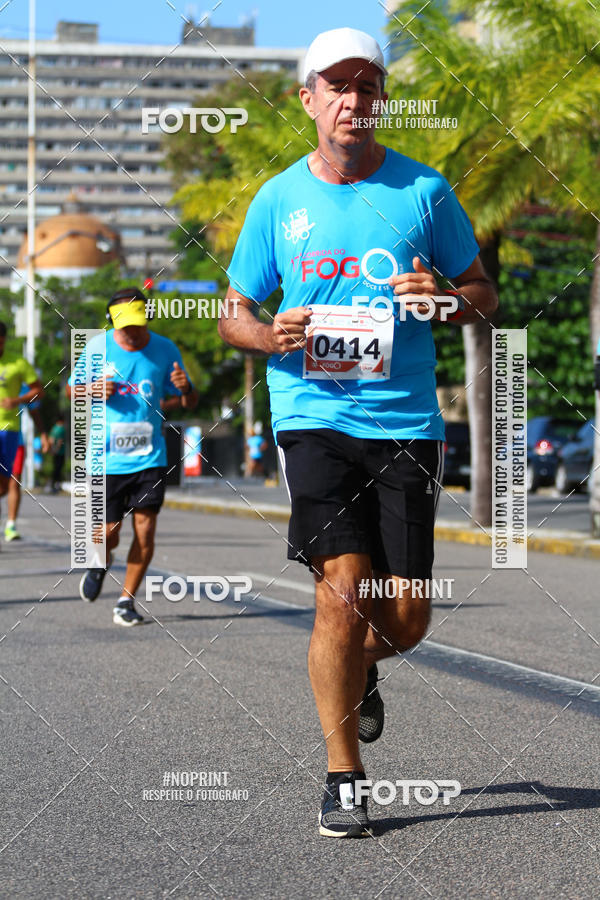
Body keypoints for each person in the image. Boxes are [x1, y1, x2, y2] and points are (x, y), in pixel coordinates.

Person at [219, 27, 497, 837]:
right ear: (307, 100)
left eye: (366, 86)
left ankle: (357, 674)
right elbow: (237, 310)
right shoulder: (278, 200)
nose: (352, 100)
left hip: (406, 419)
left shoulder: (424, 193)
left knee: (406, 619)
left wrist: (442, 301)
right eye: (334, 87)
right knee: (341, 595)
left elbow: (482, 291)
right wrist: (270, 334)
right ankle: (345, 776)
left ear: (381, 99)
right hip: (314, 417)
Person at [68, 287, 198, 626]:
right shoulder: (97, 347)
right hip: (106, 459)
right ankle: (99, 563)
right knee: (108, 533)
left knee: (146, 531)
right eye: (124, 325)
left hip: (149, 457)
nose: (131, 332)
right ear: (112, 322)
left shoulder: (165, 349)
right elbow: (71, 390)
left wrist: (186, 389)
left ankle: (126, 602)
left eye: (138, 324)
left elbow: (189, 402)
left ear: (147, 318)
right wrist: (92, 389)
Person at [0, 321, 45, 547]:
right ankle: (8, 524)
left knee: (8, 483)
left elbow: (39, 392)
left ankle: (10, 523)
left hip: (9, 430)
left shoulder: (18, 363)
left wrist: (16, 400)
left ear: (4, 339)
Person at [5, 385, 49, 541]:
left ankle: (11, 524)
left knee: (14, 481)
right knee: (2, 487)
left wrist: (43, 435)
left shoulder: (22, 387)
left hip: (16, 441)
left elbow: (34, 411)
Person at [49, 413, 66, 493]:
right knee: (59, 469)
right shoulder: (61, 429)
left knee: (54, 468)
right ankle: (56, 485)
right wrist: (57, 450)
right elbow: (60, 441)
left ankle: (52, 484)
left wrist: (52, 450)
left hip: (54, 451)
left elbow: (51, 440)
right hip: (60, 452)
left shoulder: (54, 428)